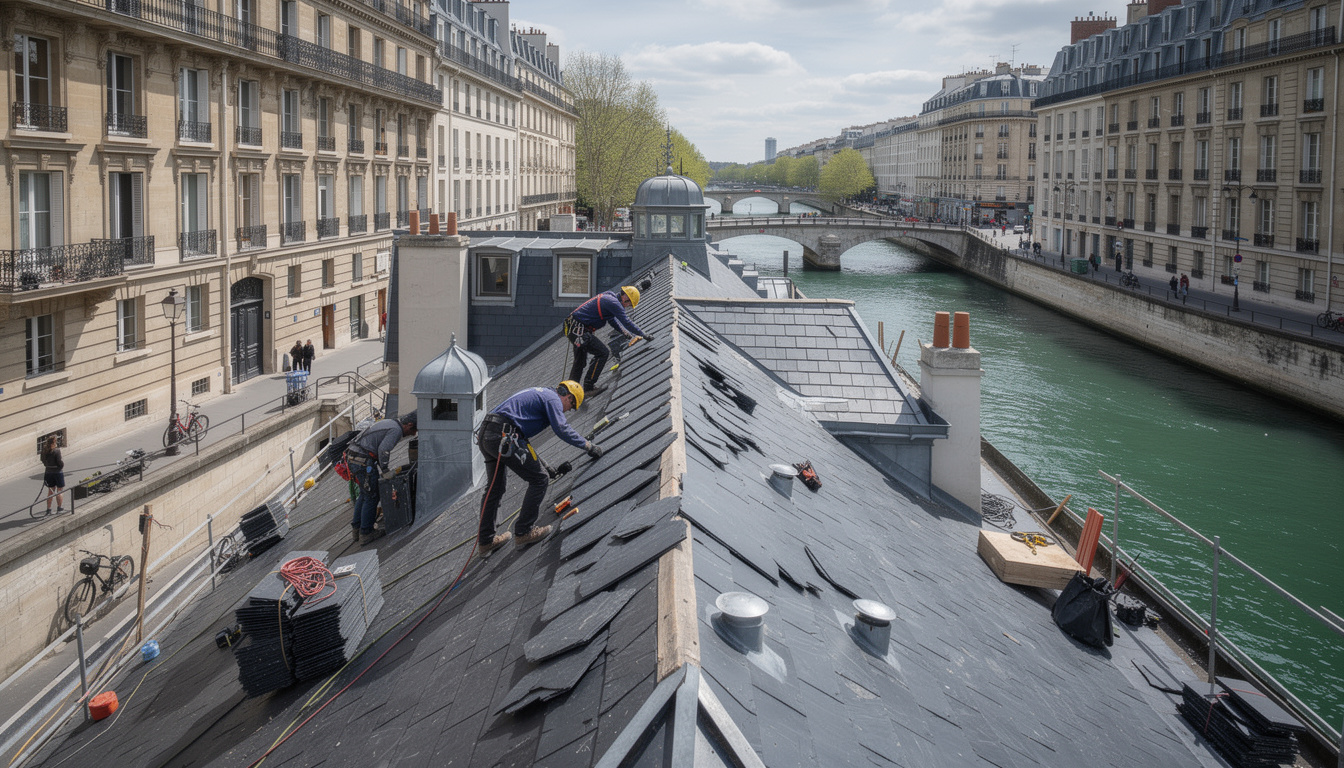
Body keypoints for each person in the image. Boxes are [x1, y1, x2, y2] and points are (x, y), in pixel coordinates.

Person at [476, 382, 601, 553]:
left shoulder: (543, 394)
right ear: (569, 397)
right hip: (502, 435)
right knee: (539, 479)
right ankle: (524, 531)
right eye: (570, 407)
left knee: (495, 488)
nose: (565, 412)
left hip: (488, 434)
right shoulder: (554, 400)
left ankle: (486, 541)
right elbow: (562, 429)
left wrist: (546, 466)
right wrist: (588, 446)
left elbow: (522, 439)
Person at [344, 413, 418, 544]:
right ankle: (366, 533)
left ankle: (357, 530)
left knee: (364, 494)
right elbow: (383, 449)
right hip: (363, 462)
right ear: (409, 425)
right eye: (413, 431)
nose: (412, 435)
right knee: (372, 496)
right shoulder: (396, 430)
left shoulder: (390, 422)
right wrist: (385, 470)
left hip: (354, 458)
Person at [565, 286, 651, 394]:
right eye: (629, 304)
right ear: (625, 298)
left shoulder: (610, 297)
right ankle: (588, 388)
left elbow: (611, 319)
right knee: (602, 353)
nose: (627, 306)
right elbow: (626, 321)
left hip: (573, 328)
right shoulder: (613, 303)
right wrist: (643, 334)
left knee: (580, 362)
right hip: (578, 330)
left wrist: (624, 332)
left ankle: (571, 393)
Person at [41, 436, 64, 513]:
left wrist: (47, 465)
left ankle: (49, 509)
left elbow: (42, 460)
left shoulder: (44, 450)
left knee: (50, 491)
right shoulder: (57, 450)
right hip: (57, 472)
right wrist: (61, 466)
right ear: (54, 442)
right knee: (59, 490)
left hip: (48, 472)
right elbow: (59, 461)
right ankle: (59, 508)